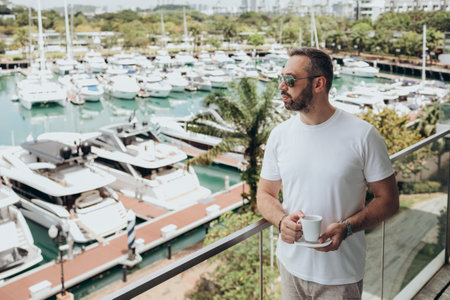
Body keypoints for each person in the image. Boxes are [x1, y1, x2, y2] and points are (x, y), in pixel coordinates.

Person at [256, 47, 399, 299]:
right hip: (290, 269)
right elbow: (265, 194)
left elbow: (388, 201)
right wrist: (281, 222)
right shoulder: (279, 135)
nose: (281, 86)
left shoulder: (363, 135)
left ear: (319, 83)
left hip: (341, 277)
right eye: (280, 78)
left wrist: (348, 227)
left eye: (289, 80)